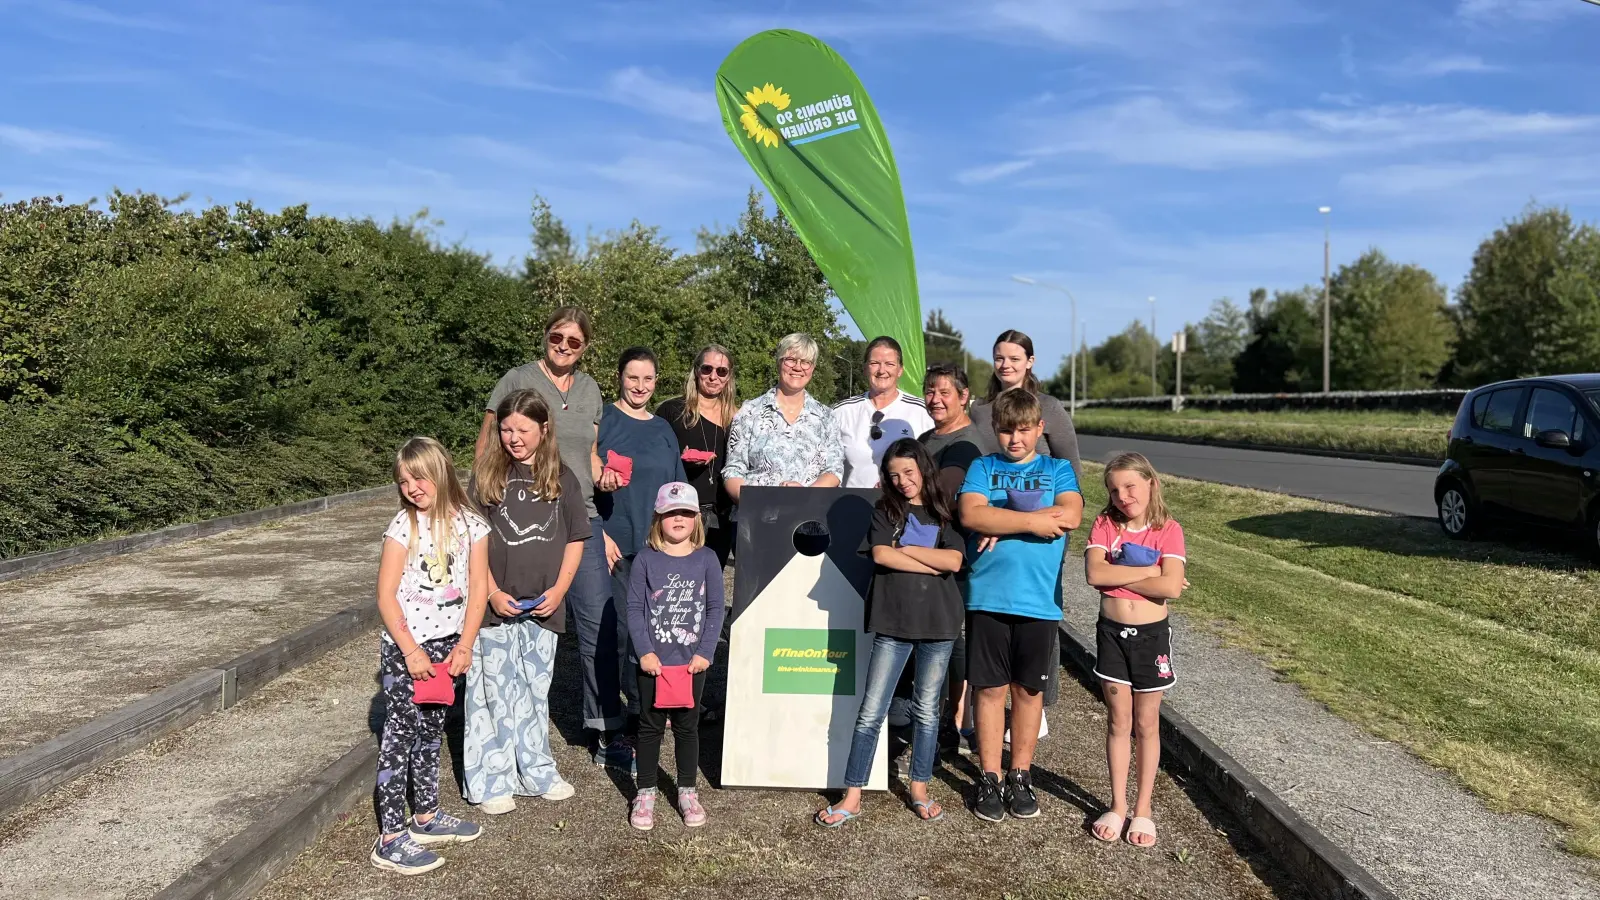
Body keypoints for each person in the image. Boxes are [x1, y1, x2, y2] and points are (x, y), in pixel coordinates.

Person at [478, 307, 632, 772]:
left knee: (600, 626)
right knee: (506, 623)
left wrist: (604, 484)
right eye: (556, 337)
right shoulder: (517, 378)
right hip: (520, 519)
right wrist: (481, 506)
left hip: (580, 518)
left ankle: (605, 729)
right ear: (545, 336)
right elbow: (488, 444)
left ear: (586, 347)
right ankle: (500, 728)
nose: (563, 347)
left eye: (574, 342)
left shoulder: (589, 390)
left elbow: (588, 456)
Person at [814, 440, 964, 827]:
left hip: (939, 623)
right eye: (894, 475)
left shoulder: (945, 510)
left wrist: (908, 550)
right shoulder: (884, 510)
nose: (902, 481)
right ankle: (853, 794)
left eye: (909, 472)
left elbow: (954, 560)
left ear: (924, 468)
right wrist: (930, 562)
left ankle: (919, 788)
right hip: (892, 622)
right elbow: (880, 554)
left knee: (928, 712)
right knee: (871, 711)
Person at [957, 388, 1083, 823]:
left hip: (1038, 600)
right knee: (989, 689)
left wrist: (1002, 521)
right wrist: (1030, 522)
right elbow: (972, 515)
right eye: (1007, 430)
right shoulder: (983, 467)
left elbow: (1070, 515)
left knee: (1028, 691)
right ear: (996, 430)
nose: (1015, 439)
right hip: (988, 595)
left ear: (1039, 429)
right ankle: (989, 775)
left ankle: (1020, 774)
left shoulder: (1057, 469)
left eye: (1024, 431)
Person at [465, 390, 587, 815]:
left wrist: (559, 590)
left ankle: (537, 769)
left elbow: (575, 538)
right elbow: (472, 542)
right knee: (491, 692)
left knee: (534, 692)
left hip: (544, 608)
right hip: (493, 609)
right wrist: (492, 591)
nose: (513, 437)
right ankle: (491, 777)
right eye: (505, 428)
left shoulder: (563, 478)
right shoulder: (486, 477)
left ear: (544, 428)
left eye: (522, 429)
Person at [370, 437, 489, 875]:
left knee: (432, 729)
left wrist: (465, 645)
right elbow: (385, 596)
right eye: (403, 481)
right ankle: (391, 836)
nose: (412, 487)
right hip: (408, 649)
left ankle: (426, 814)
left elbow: (479, 589)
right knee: (399, 735)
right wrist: (411, 651)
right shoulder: (404, 526)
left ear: (440, 472)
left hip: (447, 648)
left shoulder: (473, 525)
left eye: (418, 477)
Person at [969, 329, 1081, 723]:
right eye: (999, 357)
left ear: (1030, 362)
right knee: (990, 620)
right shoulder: (979, 411)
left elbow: (1071, 473)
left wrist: (1030, 523)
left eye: (1015, 358)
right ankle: (986, 705)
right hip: (988, 531)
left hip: (1040, 531)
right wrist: (992, 519)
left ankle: (1037, 701)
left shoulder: (1048, 406)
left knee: (1040, 612)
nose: (1006, 365)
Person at [1083, 452, 1187, 848]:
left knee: (1146, 724)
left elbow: (1171, 588)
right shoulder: (1105, 524)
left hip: (1151, 639)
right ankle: (1118, 804)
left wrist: (1123, 576)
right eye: (1114, 489)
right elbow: (1095, 573)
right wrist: (1151, 571)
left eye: (1130, 486)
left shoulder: (1168, 530)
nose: (1123, 496)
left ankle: (1143, 809)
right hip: (1111, 634)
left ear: (1151, 484)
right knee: (1117, 721)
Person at [626, 482, 726, 831]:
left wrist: (704, 653)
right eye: (671, 513)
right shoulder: (645, 559)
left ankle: (686, 790)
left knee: (687, 727)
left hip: (690, 663)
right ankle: (647, 791)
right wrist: (645, 652)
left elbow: (715, 609)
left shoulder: (707, 558)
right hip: (653, 664)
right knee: (650, 727)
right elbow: (635, 610)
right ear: (659, 518)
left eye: (685, 512)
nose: (678, 519)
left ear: (697, 518)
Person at [597, 347, 687, 711]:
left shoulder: (663, 428)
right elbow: (578, 482)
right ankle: (608, 713)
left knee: (652, 633)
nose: (640, 385)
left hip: (657, 547)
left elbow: (678, 489)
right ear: (619, 376)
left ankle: (641, 706)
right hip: (613, 544)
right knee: (617, 631)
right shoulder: (602, 420)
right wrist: (595, 534)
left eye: (647, 378)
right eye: (632, 377)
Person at [917, 363, 984, 752]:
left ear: (964, 396)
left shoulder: (966, 443)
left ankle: (953, 719)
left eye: (945, 392)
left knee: (950, 636)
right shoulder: (927, 438)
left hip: (952, 552)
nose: (936, 399)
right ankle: (938, 715)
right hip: (923, 550)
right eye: (930, 391)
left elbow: (942, 495)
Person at [723, 332, 844, 507]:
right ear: (779, 362)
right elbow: (733, 470)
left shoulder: (826, 417)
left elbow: (834, 470)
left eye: (806, 362)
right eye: (791, 360)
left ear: (813, 368)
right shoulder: (749, 412)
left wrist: (806, 495)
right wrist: (754, 504)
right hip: (757, 520)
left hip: (809, 521)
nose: (798, 367)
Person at [655, 345, 737, 569]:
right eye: (707, 368)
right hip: (680, 513)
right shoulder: (672, 411)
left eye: (721, 371)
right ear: (696, 371)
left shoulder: (737, 417)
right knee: (676, 580)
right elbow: (656, 461)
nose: (713, 376)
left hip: (722, 515)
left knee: (710, 581)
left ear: (729, 377)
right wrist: (681, 462)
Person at [833, 336, 933, 489]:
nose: (881, 370)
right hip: (852, 507)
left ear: (900, 370)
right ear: (865, 368)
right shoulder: (841, 412)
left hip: (902, 509)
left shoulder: (923, 412)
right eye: (875, 363)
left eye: (889, 364)